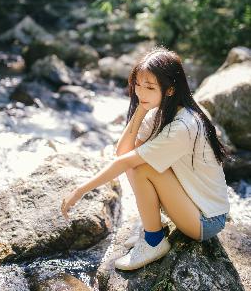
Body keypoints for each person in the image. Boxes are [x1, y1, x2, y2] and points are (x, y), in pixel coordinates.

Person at [61, 46, 231, 271]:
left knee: (141, 167)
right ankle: (154, 230)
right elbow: (122, 152)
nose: (141, 92)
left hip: (207, 220)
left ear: (170, 90)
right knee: (137, 161)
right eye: (138, 85)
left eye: (149, 87)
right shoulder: (163, 112)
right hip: (194, 203)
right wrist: (140, 110)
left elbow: (125, 161)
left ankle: (154, 240)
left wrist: (80, 191)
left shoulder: (184, 125)